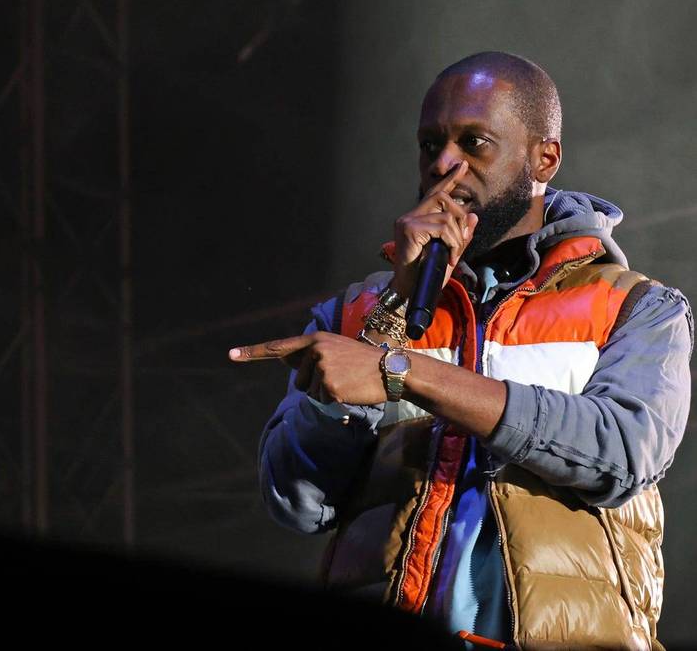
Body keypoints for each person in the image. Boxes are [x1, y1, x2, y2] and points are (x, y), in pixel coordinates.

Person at [230, 52, 691, 649]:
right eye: (429, 145)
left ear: (544, 158)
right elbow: (297, 504)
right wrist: (391, 312)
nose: (445, 164)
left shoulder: (634, 306)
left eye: (475, 143)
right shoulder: (358, 317)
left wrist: (402, 371)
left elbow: (622, 454)